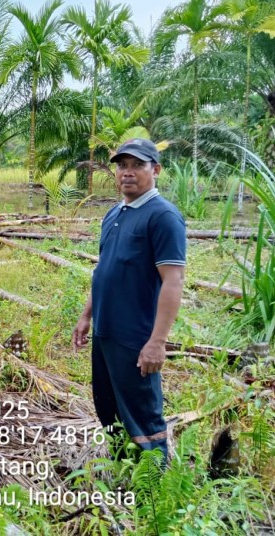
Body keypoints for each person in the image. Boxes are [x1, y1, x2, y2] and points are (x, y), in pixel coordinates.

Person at [72, 138, 186, 463]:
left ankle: (151, 492)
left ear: (156, 170)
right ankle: (123, 471)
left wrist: (157, 342)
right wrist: (86, 316)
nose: (128, 172)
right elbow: (104, 269)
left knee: (143, 415)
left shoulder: (162, 216)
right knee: (108, 407)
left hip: (136, 336)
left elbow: (173, 281)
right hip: (106, 331)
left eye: (138, 165)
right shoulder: (114, 213)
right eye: (122, 165)